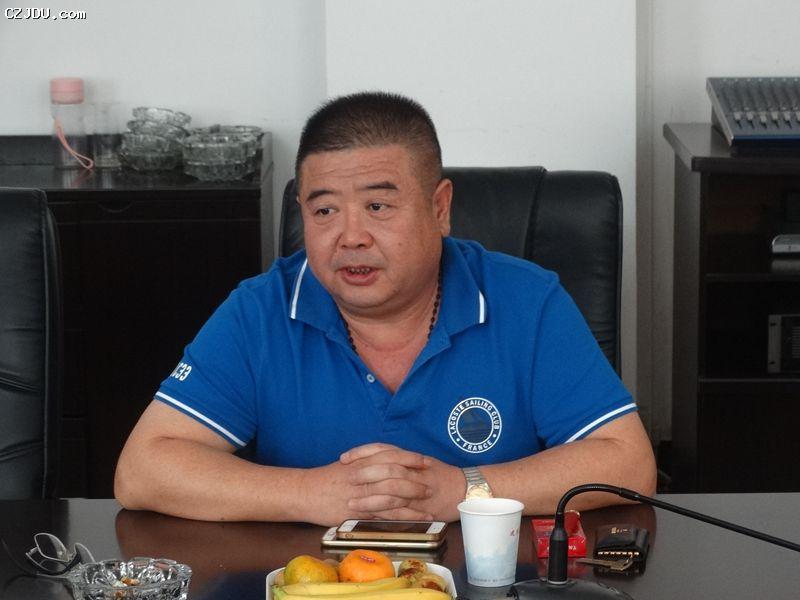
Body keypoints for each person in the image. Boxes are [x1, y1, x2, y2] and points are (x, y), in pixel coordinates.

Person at [115, 92, 656, 526]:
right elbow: (143, 470)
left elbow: (627, 462)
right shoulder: (261, 311)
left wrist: (463, 489)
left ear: (439, 208)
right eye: (324, 211)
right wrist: (313, 493)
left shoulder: (526, 300)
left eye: (377, 206)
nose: (350, 236)